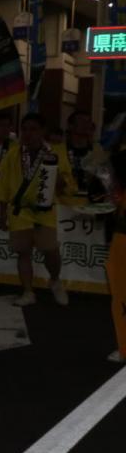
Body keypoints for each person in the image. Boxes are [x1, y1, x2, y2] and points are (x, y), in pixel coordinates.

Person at [0, 113, 78, 307]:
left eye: (33, 129)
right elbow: (3, 183)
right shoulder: (14, 153)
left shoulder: (56, 152)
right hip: (20, 210)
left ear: (43, 131)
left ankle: (55, 279)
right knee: (23, 252)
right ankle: (28, 291)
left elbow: (67, 184)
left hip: (45, 210)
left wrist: (61, 182)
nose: (28, 133)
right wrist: (2, 213)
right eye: (24, 129)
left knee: (51, 250)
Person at [107, 150, 126, 363]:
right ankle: (124, 347)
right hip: (123, 237)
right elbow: (113, 197)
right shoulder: (120, 159)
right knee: (121, 295)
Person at [65, 110, 108, 199]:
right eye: (81, 121)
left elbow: (106, 179)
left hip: (90, 202)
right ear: (71, 126)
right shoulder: (60, 149)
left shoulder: (97, 151)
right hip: (64, 202)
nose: (86, 124)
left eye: (88, 121)